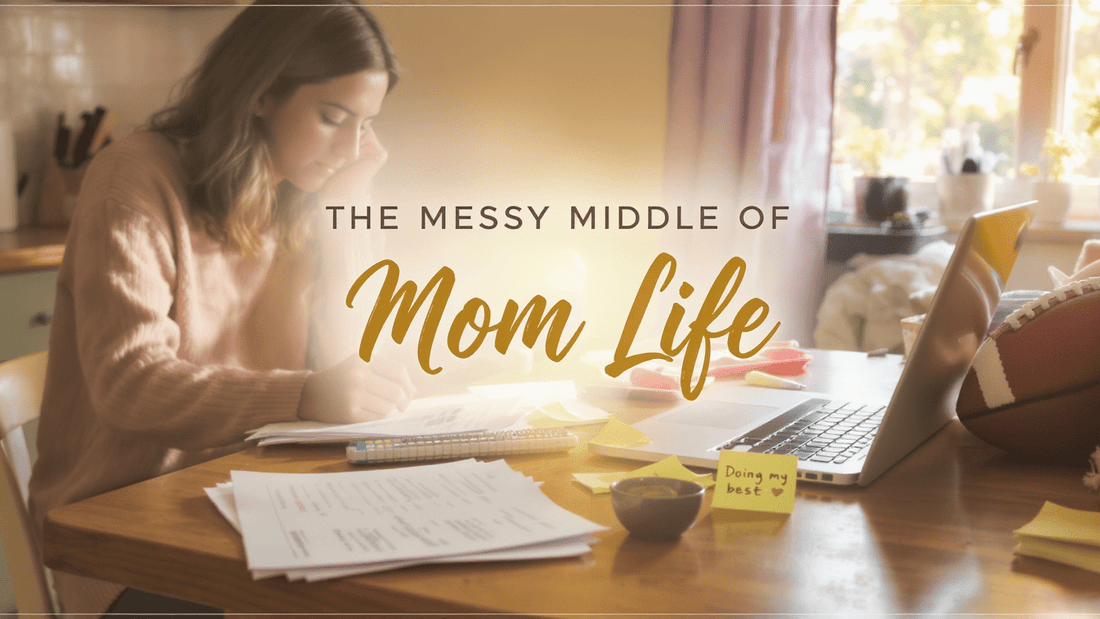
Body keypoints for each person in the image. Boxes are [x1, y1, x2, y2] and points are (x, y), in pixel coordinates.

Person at [28, 2, 411, 615]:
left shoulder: (301, 192)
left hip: (258, 504)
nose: (352, 147)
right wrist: (303, 397)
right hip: (127, 536)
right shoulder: (133, 178)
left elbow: (347, 359)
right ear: (260, 94)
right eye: (334, 117)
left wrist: (348, 206)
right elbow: (130, 386)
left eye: (366, 125)